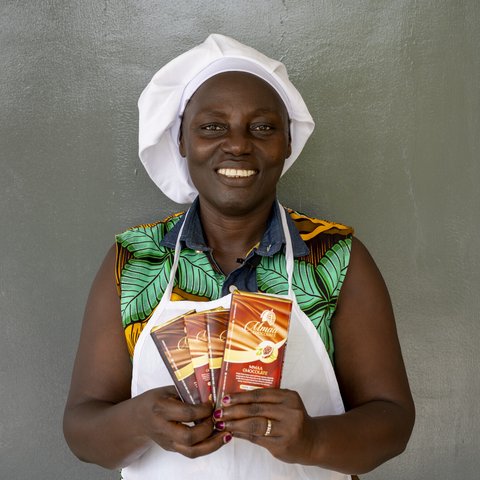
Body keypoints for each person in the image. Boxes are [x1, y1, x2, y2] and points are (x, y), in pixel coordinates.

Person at [63, 34, 415, 480]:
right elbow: (80, 429)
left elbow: (393, 421)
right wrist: (139, 421)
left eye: (263, 127)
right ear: (181, 142)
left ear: (287, 142)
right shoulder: (132, 261)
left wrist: (312, 439)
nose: (238, 144)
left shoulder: (337, 258)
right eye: (212, 127)